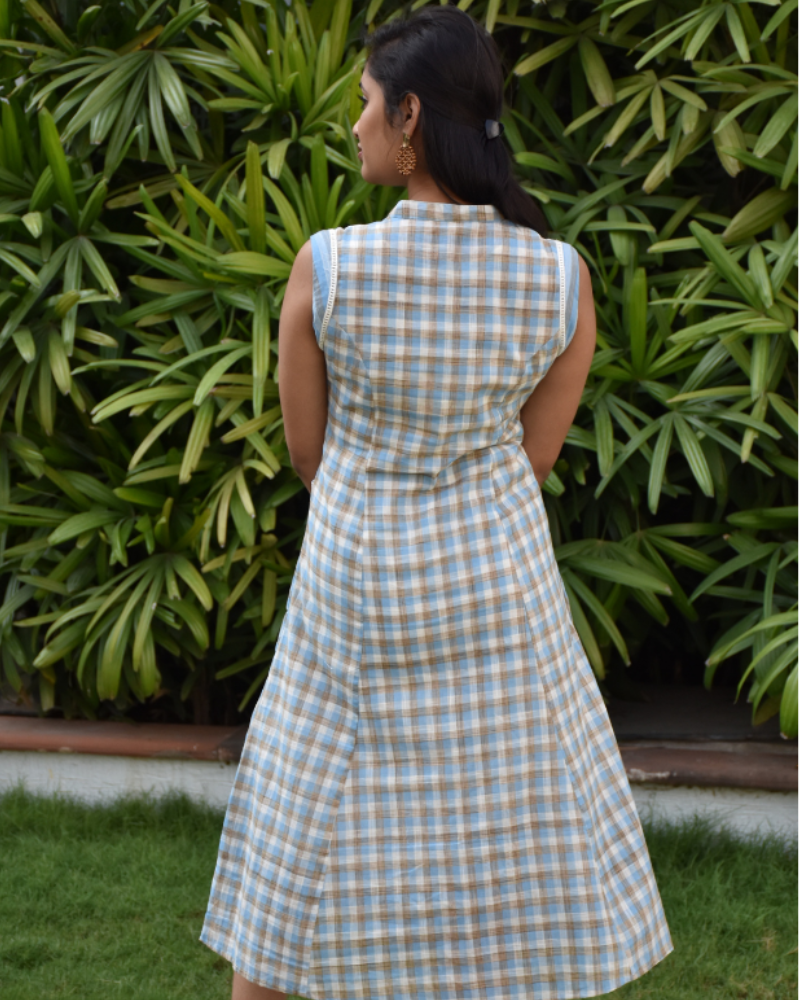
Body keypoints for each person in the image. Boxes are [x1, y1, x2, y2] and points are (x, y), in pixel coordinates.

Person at [200, 7, 674, 999]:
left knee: (306, 839)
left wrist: (378, 507)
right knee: (498, 842)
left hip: (354, 590)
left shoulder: (329, 267)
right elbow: (531, 458)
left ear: (411, 116)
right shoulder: (558, 276)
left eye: (368, 105)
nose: (357, 125)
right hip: (497, 597)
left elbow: (306, 450)